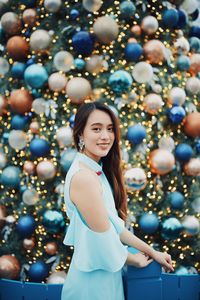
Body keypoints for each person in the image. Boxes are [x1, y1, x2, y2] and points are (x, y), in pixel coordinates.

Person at [61, 101, 174, 300]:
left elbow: (114, 226)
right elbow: (103, 237)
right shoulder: (84, 177)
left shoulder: (95, 171)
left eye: (110, 129)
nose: (105, 136)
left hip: (105, 277)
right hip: (91, 285)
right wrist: (132, 260)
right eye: (96, 129)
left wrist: (151, 252)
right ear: (80, 134)